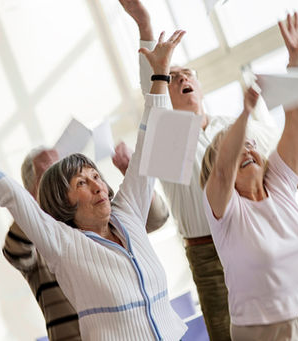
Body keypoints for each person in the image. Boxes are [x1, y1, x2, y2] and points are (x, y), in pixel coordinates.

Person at [0, 30, 187, 341]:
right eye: (81, 182)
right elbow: (11, 193)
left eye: (96, 175)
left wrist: (159, 76)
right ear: (61, 201)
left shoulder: (127, 215)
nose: (97, 185)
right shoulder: (63, 244)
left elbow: (151, 147)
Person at [118, 1, 277, 339]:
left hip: (250, 237)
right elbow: (153, 93)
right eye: (173, 79)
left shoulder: (231, 128)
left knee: (278, 323)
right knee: (228, 333)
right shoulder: (170, 138)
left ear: (201, 88)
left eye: (188, 75)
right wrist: (144, 25)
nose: (183, 78)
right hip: (207, 255)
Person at [200, 14, 298, 341]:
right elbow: (223, 168)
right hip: (263, 330)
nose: (247, 148)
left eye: (252, 144)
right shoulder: (224, 211)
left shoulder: (279, 182)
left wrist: (295, 60)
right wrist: (243, 115)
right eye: (239, 147)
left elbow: (296, 126)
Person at [3, 142, 169, 340]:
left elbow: (157, 217)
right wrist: (31, 203)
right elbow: (14, 253)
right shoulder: (42, 241)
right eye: (48, 174)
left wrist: (131, 171)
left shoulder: (106, 223)